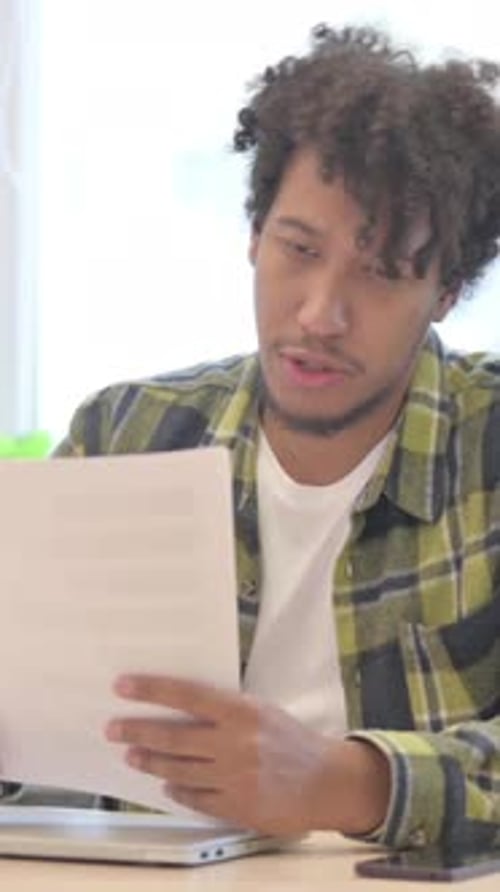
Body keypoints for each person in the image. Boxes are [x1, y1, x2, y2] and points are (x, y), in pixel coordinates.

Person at [6, 24, 500, 851]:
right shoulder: (127, 435)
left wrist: (344, 781)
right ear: (253, 234)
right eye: (297, 249)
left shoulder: (486, 445)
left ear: (447, 289)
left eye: (380, 273)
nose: (319, 314)